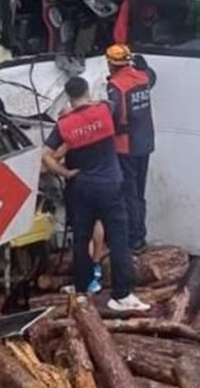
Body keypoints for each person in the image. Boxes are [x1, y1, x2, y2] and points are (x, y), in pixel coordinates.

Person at [42, 76, 150, 312]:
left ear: (68, 96)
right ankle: (121, 295)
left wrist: (65, 173)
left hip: (80, 187)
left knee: (81, 240)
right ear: (87, 91)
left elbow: (46, 156)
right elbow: (109, 104)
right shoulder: (104, 110)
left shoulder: (63, 125)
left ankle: (82, 289)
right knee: (119, 239)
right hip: (110, 186)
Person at [105, 44, 157, 254]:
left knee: (129, 193)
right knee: (139, 191)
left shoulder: (116, 86)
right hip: (145, 142)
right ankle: (139, 235)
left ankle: (135, 238)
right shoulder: (142, 77)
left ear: (110, 64)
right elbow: (152, 76)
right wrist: (145, 65)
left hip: (125, 146)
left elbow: (114, 115)